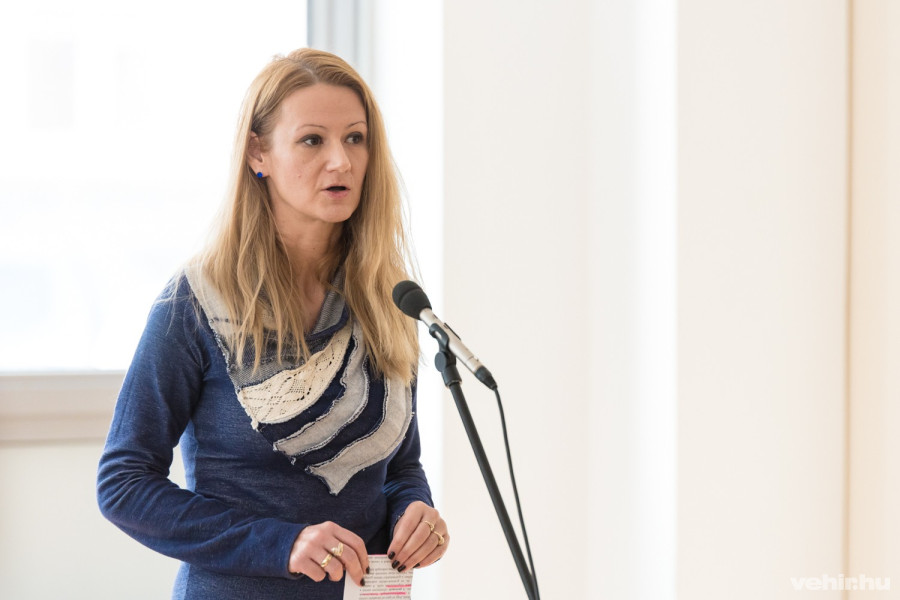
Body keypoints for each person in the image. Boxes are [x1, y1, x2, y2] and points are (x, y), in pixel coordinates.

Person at [97, 48, 449, 600]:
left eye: (355, 138)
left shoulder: (388, 298)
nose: (341, 161)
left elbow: (400, 466)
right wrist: (281, 545)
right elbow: (123, 484)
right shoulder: (196, 302)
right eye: (313, 140)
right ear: (258, 153)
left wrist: (416, 511)